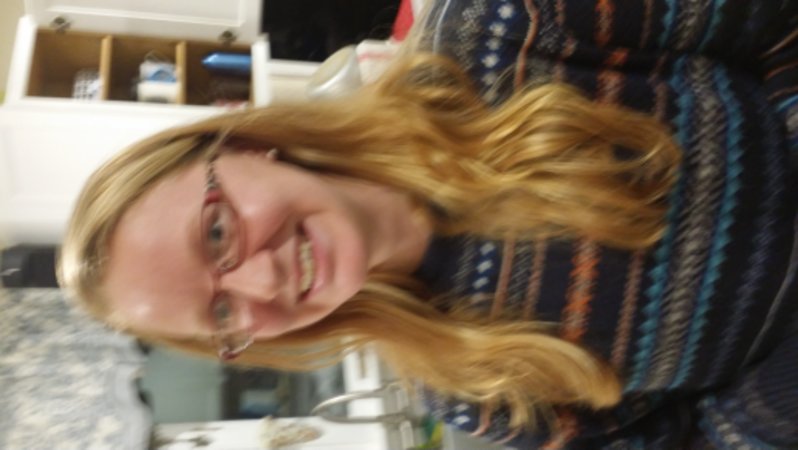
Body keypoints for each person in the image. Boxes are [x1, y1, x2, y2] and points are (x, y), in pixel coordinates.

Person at [59, 0, 797, 448]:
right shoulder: (466, 388)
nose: (261, 280)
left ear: (244, 145)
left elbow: (771, 24)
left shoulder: (503, 29)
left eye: (218, 233)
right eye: (222, 313)